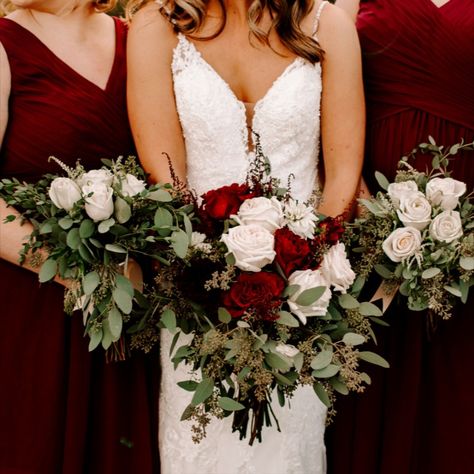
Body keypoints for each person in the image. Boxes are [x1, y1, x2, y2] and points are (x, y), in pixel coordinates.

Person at [126, 0, 364, 472]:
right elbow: (166, 182)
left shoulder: (326, 23)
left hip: (301, 303)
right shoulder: (157, 27)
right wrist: (213, 279)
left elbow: (341, 177)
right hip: (198, 300)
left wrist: (301, 279)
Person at [0, 1, 159, 472]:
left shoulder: (139, 38)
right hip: (32, 305)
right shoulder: (5, 44)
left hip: (130, 307)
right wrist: (83, 273)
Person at [326, 1, 474, 474]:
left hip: (470, 241)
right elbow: (322, 87)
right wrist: (358, 198)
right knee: (371, 394)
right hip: (369, 235)